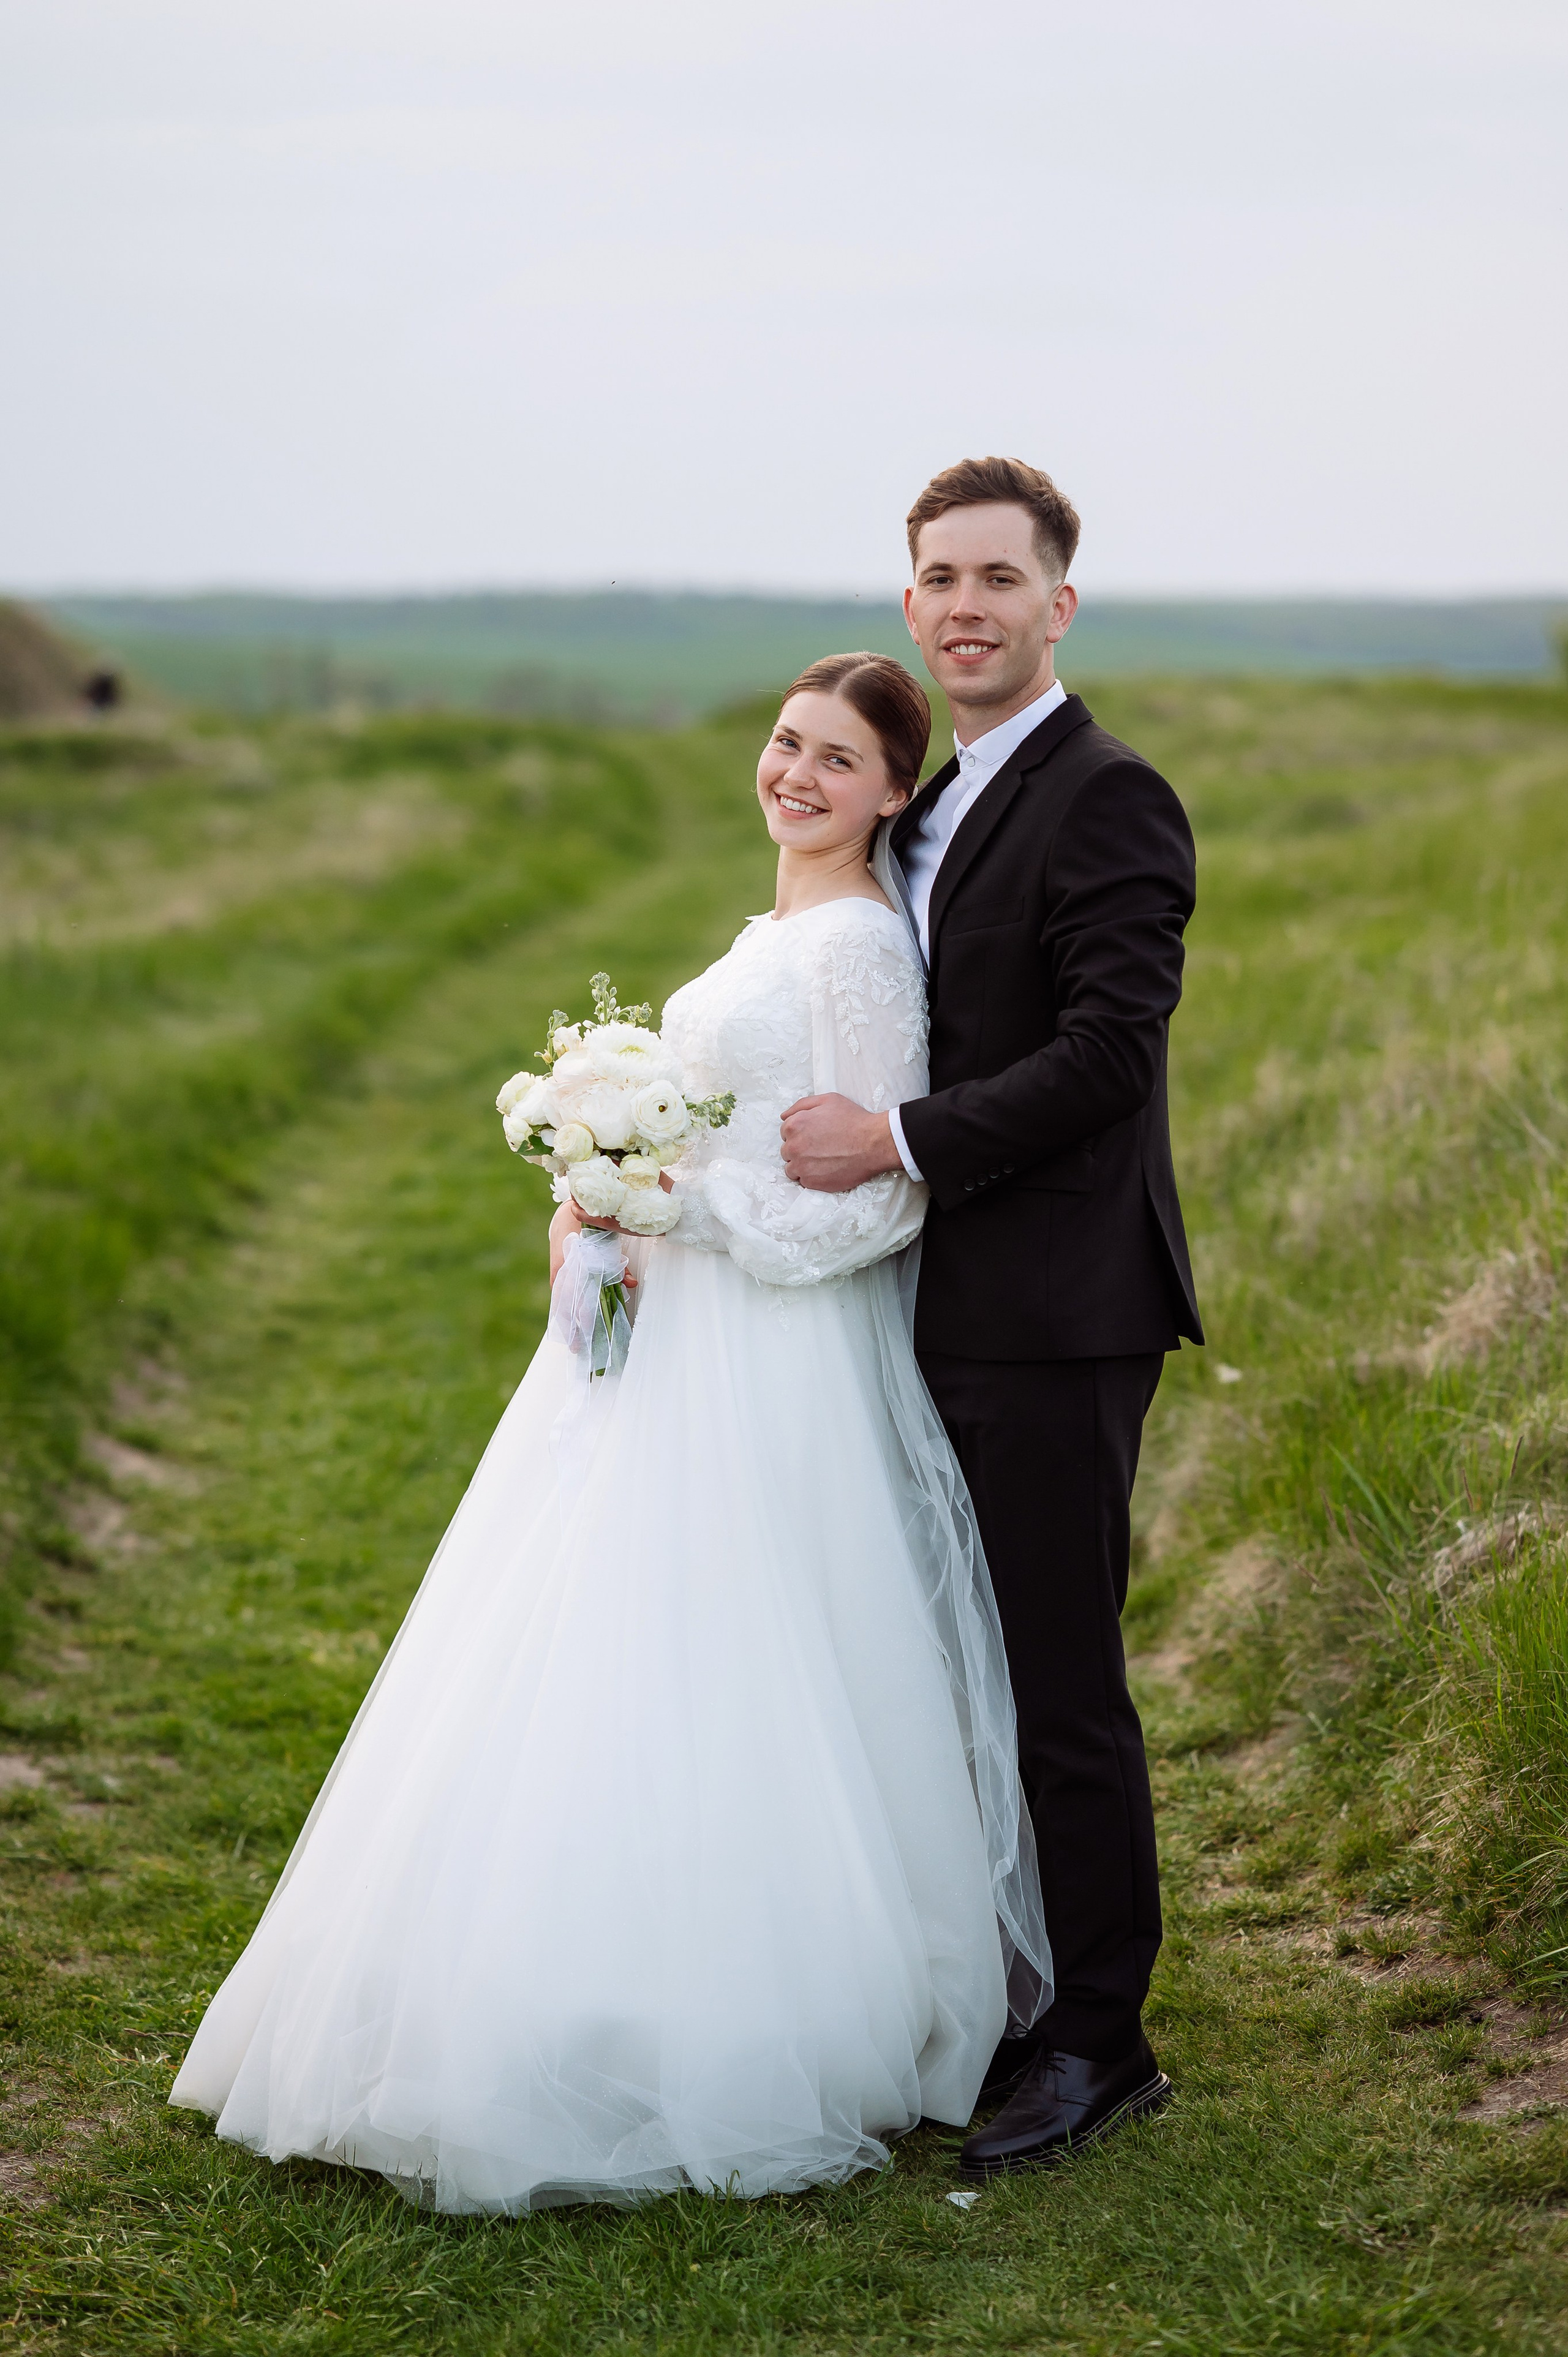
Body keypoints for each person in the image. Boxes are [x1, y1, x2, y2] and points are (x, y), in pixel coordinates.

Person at [169, 652, 1049, 2215]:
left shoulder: (855, 947)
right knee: (611, 1638)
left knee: (749, 1652)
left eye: (839, 761)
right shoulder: (771, 924)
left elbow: (879, 1193)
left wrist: (675, 1198)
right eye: (787, 744)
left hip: (778, 1356)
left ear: (891, 793)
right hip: (676, 1338)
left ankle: (768, 2003)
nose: (798, 775)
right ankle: (591, 1964)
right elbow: (719, 1119)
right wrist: (608, 1196)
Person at [783, 458, 1203, 2177]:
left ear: (1058, 606)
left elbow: (1109, 1059)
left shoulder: (1111, 796)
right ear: (910, 609)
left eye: (999, 580)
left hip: (1061, 1309)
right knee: (957, 1661)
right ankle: (1016, 1983)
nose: (966, 607)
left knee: (1056, 1674)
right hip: (946, 1299)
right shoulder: (940, 804)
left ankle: (1103, 2038)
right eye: (939, 580)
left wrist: (895, 1143)